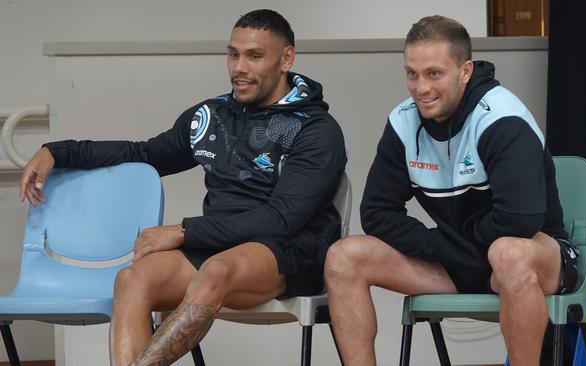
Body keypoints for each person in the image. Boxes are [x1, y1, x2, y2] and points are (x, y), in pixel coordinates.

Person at [20, 9, 346, 366]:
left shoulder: (316, 129)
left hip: (287, 252)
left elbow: (282, 218)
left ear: (286, 58)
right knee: (132, 279)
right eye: (233, 54)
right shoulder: (211, 116)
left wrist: (184, 231)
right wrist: (58, 150)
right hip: (214, 245)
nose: (239, 67)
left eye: (254, 56)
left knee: (217, 270)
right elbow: (142, 153)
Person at [324, 15, 578, 366]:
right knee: (343, 257)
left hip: (534, 258)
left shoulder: (501, 117)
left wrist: (454, 244)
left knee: (508, 254)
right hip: (460, 260)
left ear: (465, 71)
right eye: (412, 74)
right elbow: (377, 213)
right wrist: (443, 247)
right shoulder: (403, 122)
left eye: (433, 74)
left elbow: (521, 218)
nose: (420, 88)